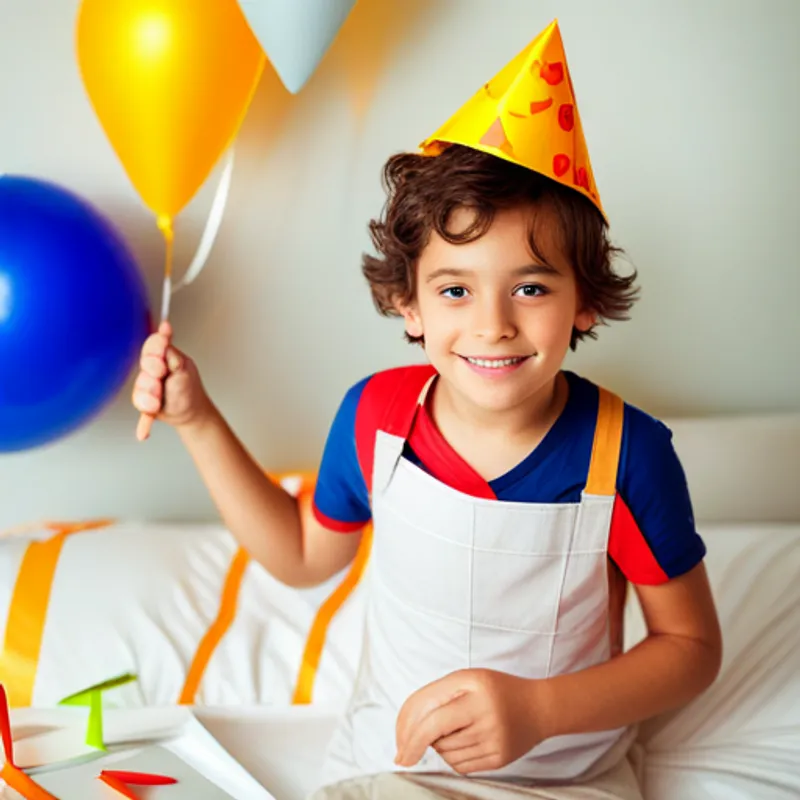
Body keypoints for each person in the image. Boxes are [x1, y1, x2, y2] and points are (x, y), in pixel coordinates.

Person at [132, 20, 722, 800]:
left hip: (565, 776)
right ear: (408, 305)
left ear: (584, 302)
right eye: (455, 290)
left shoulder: (631, 455)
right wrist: (198, 418)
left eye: (532, 287)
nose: (492, 324)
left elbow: (690, 646)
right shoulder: (376, 416)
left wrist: (540, 710)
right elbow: (304, 559)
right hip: (390, 763)